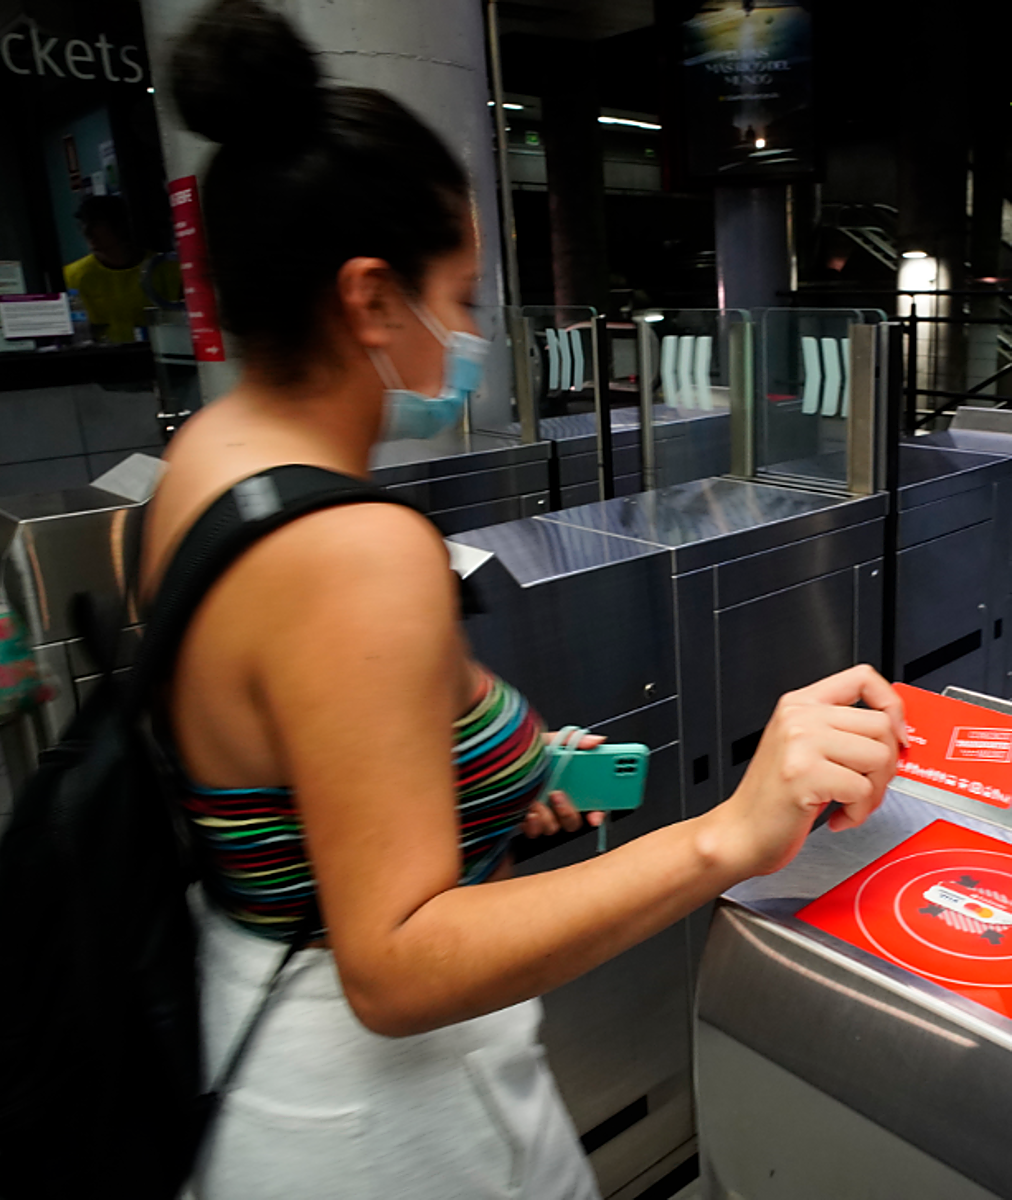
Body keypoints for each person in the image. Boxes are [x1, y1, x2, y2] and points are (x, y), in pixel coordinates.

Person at [141, 3, 906, 1197]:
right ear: (367, 300)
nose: (470, 333)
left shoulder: (202, 472)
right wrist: (726, 835)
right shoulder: (352, 550)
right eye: (456, 296)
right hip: (388, 1129)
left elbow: (300, 769)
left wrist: (507, 764)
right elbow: (393, 965)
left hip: (257, 1052)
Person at [63, 194, 180, 343]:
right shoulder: (72, 276)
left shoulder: (164, 268)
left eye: (96, 223)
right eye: (83, 225)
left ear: (120, 225)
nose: (87, 232)